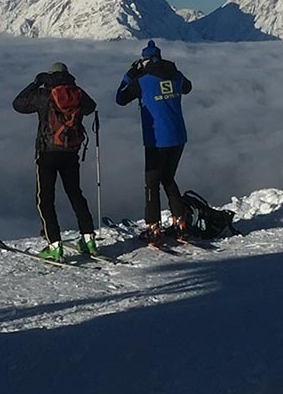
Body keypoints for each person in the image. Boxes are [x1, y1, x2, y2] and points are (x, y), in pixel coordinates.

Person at [13, 61, 98, 262]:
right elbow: (91, 106)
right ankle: (88, 239)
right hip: (71, 152)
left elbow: (18, 104)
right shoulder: (77, 93)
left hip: (47, 153)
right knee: (76, 195)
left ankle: (54, 244)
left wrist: (35, 83)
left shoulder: (44, 95)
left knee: (45, 199)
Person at [116, 40, 193, 243]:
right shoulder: (176, 75)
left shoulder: (142, 80)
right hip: (179, 137)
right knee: (168, 178)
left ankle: (153, 227)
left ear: (145, 60)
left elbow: (120, 98)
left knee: (152, 183)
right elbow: (188, 87)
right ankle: (180, 222)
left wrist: (129, 75)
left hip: (156, 139)